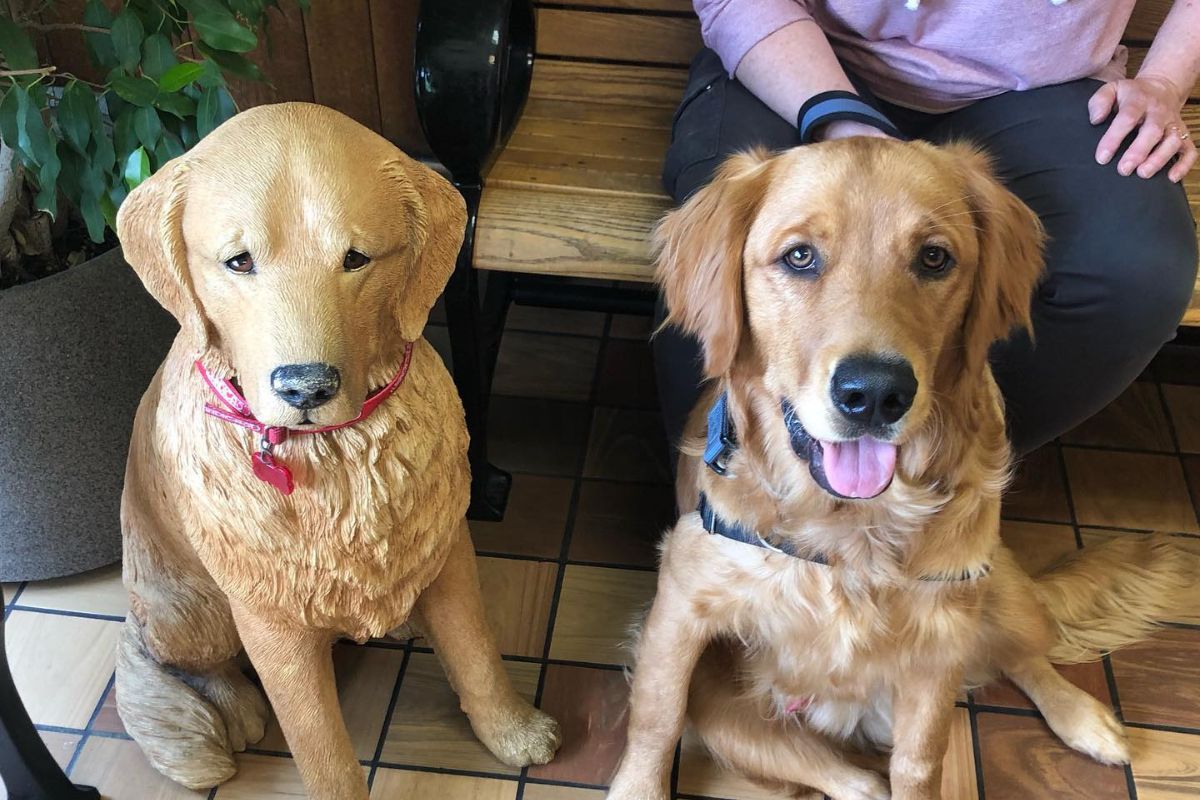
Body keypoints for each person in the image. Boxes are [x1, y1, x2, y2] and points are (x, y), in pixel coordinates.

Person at [654, 0, 1200, 455]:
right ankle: (708, 502)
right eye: (803, 257)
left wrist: (1164, 80)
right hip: (792, 56)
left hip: (1042, 88)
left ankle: (947, 472)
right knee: (714, 249)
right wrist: (843, 119)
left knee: (1140, 270)